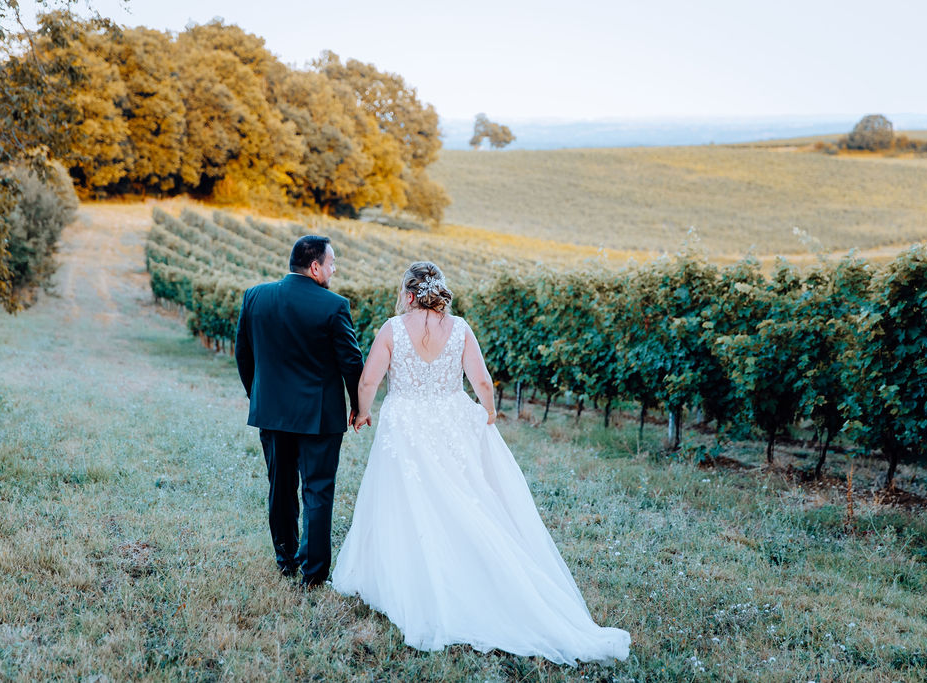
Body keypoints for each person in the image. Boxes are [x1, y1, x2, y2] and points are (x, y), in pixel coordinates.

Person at [332, 261, 631, 666]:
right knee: (463, 496)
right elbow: (482, 380)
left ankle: (417, 581)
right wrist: (487, 412)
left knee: (409, 500)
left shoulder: (392, 328)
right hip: (451, 419)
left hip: (406, 422)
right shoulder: (461, 329)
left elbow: (369, 381)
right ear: (438, 291)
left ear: (407, 293)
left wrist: (362, 413)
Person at [235, 235, 364, 588]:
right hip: (319, 417)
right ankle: (313, 574)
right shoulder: (334, 306)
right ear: (316, 267)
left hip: (271, 413)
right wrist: (358, 405)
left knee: (280, 486)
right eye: (332, 263)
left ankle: (285, 559)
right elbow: (352, 362)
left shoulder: (255, 296)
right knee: (318, 491)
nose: (335, 270)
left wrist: (257, 397)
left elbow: (243, 355)